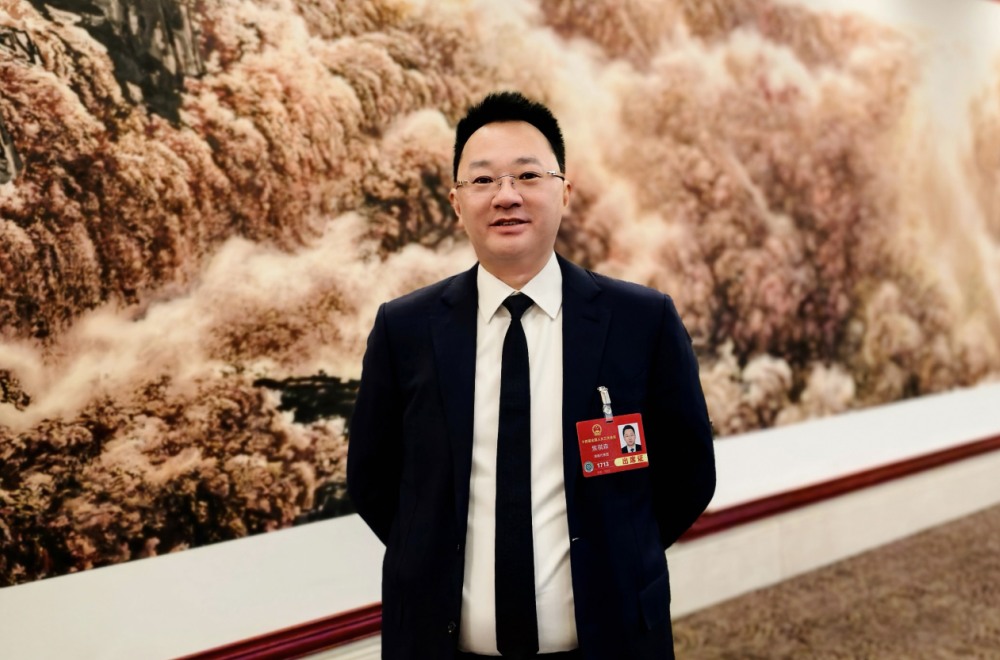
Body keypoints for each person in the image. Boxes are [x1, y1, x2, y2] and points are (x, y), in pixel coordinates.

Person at [348, 91, 716, 660]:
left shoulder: (641, 321)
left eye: (527, 175)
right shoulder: (405, 329)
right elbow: (373, 479)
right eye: (483, 180)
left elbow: (687, 472)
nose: (507, 196)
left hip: (610, 645)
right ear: (456, 202)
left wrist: (619, 552)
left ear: (564, 191)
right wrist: (430, 557)